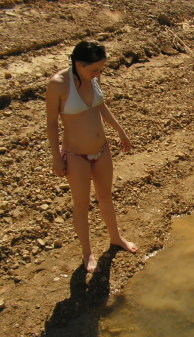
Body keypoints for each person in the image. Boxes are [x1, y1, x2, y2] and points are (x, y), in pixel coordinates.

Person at [46, 41, 137, 273]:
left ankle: (116, 238)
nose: (98, 74)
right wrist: (56, 157)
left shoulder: (93, 77)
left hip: (102, 149)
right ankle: (87, 254)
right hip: (76, 155)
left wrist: (121, 131)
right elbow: (51, 124)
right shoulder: (58, 84)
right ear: (78, 64)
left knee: (106, 197)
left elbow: (101, 106)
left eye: (101, 69)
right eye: (94, 70)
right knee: (81, 206)